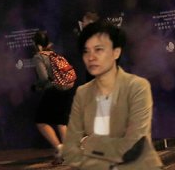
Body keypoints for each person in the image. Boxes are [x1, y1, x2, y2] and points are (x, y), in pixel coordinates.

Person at [63, 20, 162, 170]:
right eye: (86, 51)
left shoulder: (137, 87)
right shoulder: (82, 93)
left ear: (116, 52)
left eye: (98, 49)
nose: (91, 57)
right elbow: (70, 149)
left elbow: (133, 144)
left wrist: (90, 143)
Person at [33, 29, 77, 164]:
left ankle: (59, 148)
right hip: (67, 90)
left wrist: (37, 87)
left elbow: (44, 78)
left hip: (54, 90)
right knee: (61, 122)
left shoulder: (39, 56)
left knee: (41, 121)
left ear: (37, 45)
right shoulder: (54, 54)